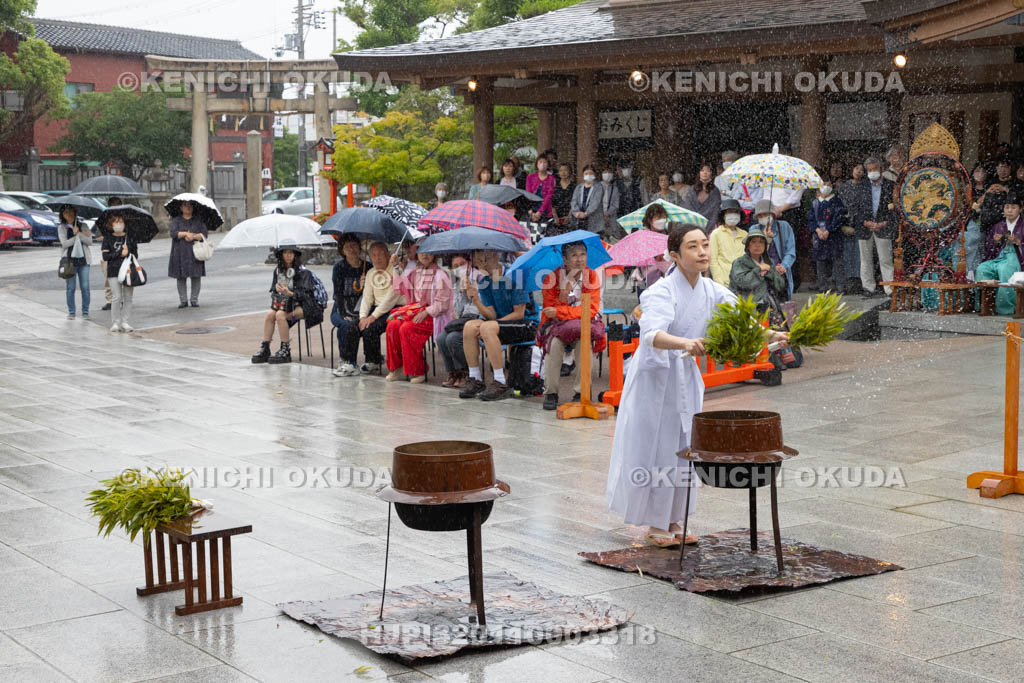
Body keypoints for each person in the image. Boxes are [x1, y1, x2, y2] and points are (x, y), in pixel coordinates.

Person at [607, 223, 787, 547]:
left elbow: (740, 321)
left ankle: (676, 519)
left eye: (705, 244)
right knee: (658, 447)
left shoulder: (713, 290)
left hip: (685, 377)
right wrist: (685, 343)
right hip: (655, 379)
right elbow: (651, 335)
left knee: (685, 445)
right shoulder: (659, 292)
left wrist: (772, 334)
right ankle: (655, 523)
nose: (703, 252)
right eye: (693, 246)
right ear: (674, 255)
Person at [459, 249, 539, 401]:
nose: (482, 265)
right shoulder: (484, 282)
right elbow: (491, 315)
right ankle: (475, 378)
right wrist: (476, 300)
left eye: (485, 260)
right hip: (500, 324)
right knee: (469, 327)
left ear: (496, 256)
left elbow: (519, 313)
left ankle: (500, 382)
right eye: (478, 262)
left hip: (526, 324)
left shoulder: (514, 276)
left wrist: (493, 323)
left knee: (487, 327)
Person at [538, 242, 603, 410]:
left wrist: (562, 310)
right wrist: (562, 296)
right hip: (558, 327)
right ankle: (551, 392)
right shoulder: (551, 278)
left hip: (582, 326)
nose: (579, 259)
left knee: (584, 343)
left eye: (583, 254)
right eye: (574, 255)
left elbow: (590, 309)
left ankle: (582, 391)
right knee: (554, 345)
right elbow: (549, 311)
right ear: (565, 259)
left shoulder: (591, 276)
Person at [386, 250, 452, 383]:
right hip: (415, 311)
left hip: (434, 315)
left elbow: (443, 303)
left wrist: (426, 311)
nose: (425, 255)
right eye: (421, 252)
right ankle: (396, 367)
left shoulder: (441, 275)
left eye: (428, 252)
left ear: (434, 254)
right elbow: (399, 288)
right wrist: (396, 267)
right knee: (392, 326)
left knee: (407, 328)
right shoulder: (415, 273)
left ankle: (417, 370)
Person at [251, 247, 318, 364]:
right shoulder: (278, 271)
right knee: (270, 314)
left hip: (304, 305)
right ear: (281, 255)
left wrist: (291, 293)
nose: (288, 255)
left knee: (280, 315)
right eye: (285, 253)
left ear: (295, 255)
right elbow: (273, 290)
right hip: (286, 304)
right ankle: (265, 347)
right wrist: (276, 288)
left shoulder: (303, 272)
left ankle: (285, 350)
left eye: (291, 253)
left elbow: (307, 295)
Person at [354, 241, 400, 375]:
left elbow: (392, 297)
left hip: (395, 307)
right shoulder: (370, 273)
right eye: (373, 255)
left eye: (381, 254)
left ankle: (376, 361)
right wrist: (363, 316)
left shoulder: (396, 270)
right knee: (358, 326)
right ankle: (363, 361)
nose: (377, 258)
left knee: (372, 327)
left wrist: (373, 316)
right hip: (378, 307)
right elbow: (367, 297)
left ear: (388, 255)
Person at [854, 157, 896, 298]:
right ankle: (868, 288)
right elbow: (855, 209)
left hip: (883, 227)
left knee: (886, 259)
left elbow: (895, 209)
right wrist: (865, 222)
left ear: (881, 169)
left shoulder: (890, 186)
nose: (872, 172)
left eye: (875, 169)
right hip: (864, 228)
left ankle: (889, 288)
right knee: (865, 260)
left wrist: (884, 223)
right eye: (869, 170)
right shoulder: (861, 186)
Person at [438, 257, 481, 388]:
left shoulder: (480, 278)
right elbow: (457, 311)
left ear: (469, 263)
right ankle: (453, 372)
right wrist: (462, 292)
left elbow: (482, 304)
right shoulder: (457, 283)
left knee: (453, 338)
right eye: (456, 266)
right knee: (441, 338)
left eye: (462, 264)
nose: (460, 268)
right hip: (462, 320)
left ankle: (465, 372)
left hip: (478, 317)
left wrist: (471, 291)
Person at [977, 194, 1024, 315]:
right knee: (982, 268)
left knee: (1005, 269)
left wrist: (1019, 242)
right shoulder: (998, 226)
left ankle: (1007, 308)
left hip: (1017, 257)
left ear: (1020, 209)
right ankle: (987, 305)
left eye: (1013, 207)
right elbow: (989, 248)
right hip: (1000, 256)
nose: (1009, 210)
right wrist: (995, 242)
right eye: (1007, 207)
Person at [330, 236, 368, 377]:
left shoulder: (367, 267)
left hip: (361, 308)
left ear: (359, 247)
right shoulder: (339, 268)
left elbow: (372, 294)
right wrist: (343, 313)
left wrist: (366, 284)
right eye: (347, 247)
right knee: (346, 325)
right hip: (341, 308)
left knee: (352, 327)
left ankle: (349, 361)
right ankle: (348, 361)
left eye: (354, 246)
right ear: (342, 251)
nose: (351, 250)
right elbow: (338, 293)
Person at [729, 227, 788, 308]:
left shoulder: (769, 262)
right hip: (746, 306)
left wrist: (770, 272)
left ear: (765, 246)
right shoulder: (739, 262)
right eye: (753, 242)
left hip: (768, 305)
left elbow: (780, 285)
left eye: (761, 242)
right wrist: (759, 269)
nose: (758, 245)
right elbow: (742, 283)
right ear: (748, 246)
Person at [167, 200, 209, 308]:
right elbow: (173, 233)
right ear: (181, 208)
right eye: (185, 205)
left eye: (190, 205)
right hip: (179, 252)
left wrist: (193, 236)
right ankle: (183, 300)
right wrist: (185, 233)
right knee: (181, 277)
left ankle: (194, 299)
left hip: (195, 252)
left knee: (196, 276)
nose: (188, 207)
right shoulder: (176, 220)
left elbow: (204, 235)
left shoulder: (198, 220)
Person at [808, 178, 846, 292]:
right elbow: (811, 219)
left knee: (837, 261)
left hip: (834, 236)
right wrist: (818, 230)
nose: (826, 187)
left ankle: (840, 286)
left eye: (828, 184)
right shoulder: (815, 203)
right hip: (819, 237)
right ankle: (822, 286)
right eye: (823, 184)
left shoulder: (837, 201)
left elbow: (839, 218)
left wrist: (829, 230)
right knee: (820, 262)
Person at [753, 199, 796, 299]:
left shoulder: (784, 226)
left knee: (782, 301)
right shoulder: (754, 229)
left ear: (772, 214)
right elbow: (754, 253)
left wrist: (784, 265)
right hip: (762, 274)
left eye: (765, 214)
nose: (763, 217)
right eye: (760, 216)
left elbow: (790, 251)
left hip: (780, 272)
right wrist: (764, 238)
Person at [101, 214, 137, 333]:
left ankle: (125, 321)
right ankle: (115, 322)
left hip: (128, 271)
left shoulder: (130, 237)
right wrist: (120, 253)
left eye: (121, 222)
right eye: (116, 222)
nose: (119, 224)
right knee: (116, 297)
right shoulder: (108, 238)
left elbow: (136, 255)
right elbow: (105, 256)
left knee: (128, 297)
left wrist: (128, 252)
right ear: (111, 224)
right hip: (113, 270)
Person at [57, 204, 91, 320]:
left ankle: (85, 311)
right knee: (70, 288)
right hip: (69, 261)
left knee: (85, 287)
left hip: (84, 261)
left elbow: (90, 241)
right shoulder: (62, 228)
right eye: (66, 212)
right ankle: (71, 312)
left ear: (75, 213)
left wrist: (79, 233)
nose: (69, 215)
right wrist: (75, 236)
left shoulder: (84, 226)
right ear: (62, 215)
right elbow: (64, 244)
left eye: (71, 212)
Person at [837, 164, 865, 293]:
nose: (858, 171)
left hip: (862, 226)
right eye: (856, 168)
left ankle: (860, 284)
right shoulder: (844, 187)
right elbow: (839, 207)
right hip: (846, 225)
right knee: (847, 256)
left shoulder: (866, 187)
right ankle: (847, 284)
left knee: (861, 257)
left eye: (861, 170)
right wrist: (842, 224)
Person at [708, 198, 747, 286]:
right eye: (729, 212)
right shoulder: (716, 234)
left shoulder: (745, 234)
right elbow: (713, 261)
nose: (733, 215)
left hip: (743, 282)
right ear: (723, 215)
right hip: (725, 282)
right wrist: (719, 282)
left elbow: (753, 255)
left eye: (736, 212)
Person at [978, 160, 1021, 236]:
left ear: (1010, 168)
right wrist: (988, 191)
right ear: (996, 168)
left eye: (1005, 167)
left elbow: (1019, 201)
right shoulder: (990, 182)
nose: (1002, 170)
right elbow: (978, 203)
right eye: (1000, 167)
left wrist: (1005, 189)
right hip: (987, 222)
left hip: (1006, 222)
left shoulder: (1017, 183)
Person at [681, 164, 722, 229]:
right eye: (702, 170)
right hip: (693, 223)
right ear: (699, 173)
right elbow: (688, 206)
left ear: (711, 174)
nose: (705, 173)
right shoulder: (692, 189)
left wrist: (707, 224)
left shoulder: (715, 190)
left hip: (710, 224)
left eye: (708, 171)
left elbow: (715, 211)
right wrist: (696, 220)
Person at [100, 196, 123, 311]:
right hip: (109, 249)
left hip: (122, 251)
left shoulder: (124, 218)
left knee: (123, 277)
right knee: (108, 277)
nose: (115, 206)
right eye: (113, 204)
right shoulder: (105, 217)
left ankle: (120, 298)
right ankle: (110, 299)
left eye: (117, 204)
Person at [570, 164, 605, 233]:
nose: (588, 175)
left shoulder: (599, 187)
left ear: (594, 175)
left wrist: (586, 213)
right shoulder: (579, 187)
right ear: (583, 175)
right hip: (579, 218)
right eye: (586, 173)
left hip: (594, 219)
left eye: (591, 173)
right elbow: (574, 201)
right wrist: (576, 212)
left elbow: (595, 203)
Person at [526, 156, 555, 222]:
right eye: (540, 162)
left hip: (545, 210)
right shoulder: (530, 177)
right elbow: (528, 194)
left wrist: (539, 212)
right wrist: (531, 210)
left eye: (545, 162)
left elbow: (549, 196)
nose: (542, 164)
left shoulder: (551, 178)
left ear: (548, 165)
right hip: (532, 209)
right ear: (537, 164)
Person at [550, 162, 576, 233]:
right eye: (561, 170)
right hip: (555, 218)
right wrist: (555, 217)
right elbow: (551, 202)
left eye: (565, 170)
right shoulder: (554, 186)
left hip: (570, 217)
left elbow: (575, 202)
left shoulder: (574, 186)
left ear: (570, 172)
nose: (563, 172)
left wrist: (569, 217)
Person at [600, 166, 623, 240]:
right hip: (598, 217)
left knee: (614, 238)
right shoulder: (596, 187)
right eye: (605, 172)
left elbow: (616, 204)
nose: (607, 174)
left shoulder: (615, 189)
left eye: (609, 172)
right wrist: (602, 215)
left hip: (612, 217)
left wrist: (608, 214)